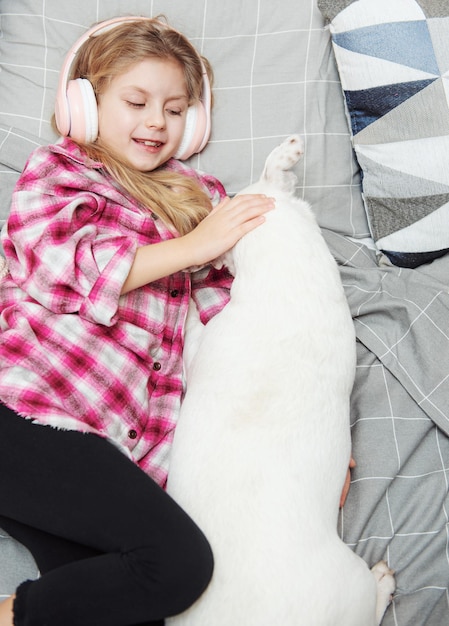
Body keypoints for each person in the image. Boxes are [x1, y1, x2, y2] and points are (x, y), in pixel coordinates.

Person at [0, 15, 274, 626]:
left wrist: (302, 428)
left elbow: (233, 324)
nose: (157, 120)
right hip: (27, 412)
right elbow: (64, 264)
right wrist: (196, 245)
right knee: (177, 564)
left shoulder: (199, 200)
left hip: (115, 447)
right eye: (137, 101)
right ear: (85, 105)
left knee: (133, 604)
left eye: (175, 109)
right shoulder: (61, 172)